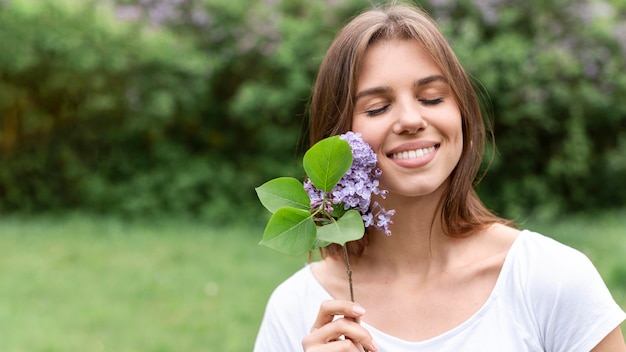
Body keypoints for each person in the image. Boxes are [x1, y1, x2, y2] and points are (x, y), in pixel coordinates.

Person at [254, 3, 626, 351]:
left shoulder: (551, 280)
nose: (412, 120)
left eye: (432, 98)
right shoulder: (297, 310)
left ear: (462, 114)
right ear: (338, 136)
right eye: (378, 107)